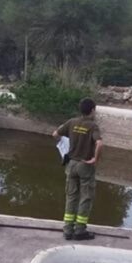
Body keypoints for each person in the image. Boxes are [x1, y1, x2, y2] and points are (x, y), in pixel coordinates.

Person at [53, 97, 103, 241]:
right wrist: (95, 159)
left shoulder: (72, 122)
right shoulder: (92, 126)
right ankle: (80, 230)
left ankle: (68, 230)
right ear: (92, 110)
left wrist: (64, 146)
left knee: (71, 196)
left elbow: (55, 134)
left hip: (71, 164)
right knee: (86, 197)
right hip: (84, 165)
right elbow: (99, 144)